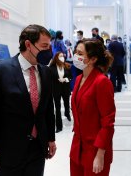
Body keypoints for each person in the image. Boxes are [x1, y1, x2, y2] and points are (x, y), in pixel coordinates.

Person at [0, 24, 56, 176]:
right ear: (28, 44)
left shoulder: (46, 72)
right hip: (9, 150)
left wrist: (50, 139)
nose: (49, 51)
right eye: (44, 46)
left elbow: (47, 108)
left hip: (37, 149)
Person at [70, 38, 115, 176]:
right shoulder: (78, 79)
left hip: (95, 149)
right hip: (78, 147)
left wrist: (100, 154)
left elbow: (108, 122)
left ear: (93, 59)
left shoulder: (102, 82)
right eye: (76, 52)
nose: (76, 56)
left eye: (80, 53)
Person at [49, 52, 72, 133]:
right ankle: (59, 126)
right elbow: (50, 79)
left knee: (66, 103)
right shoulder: (52, 67)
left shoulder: (67, 66)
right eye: (60, 56)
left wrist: (65, 79)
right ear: (56, 57)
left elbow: (70, 77)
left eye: (63, 56)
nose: (62, 57)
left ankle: (67, 114)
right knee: (57, 108)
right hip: (56, 90)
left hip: (65, 89)